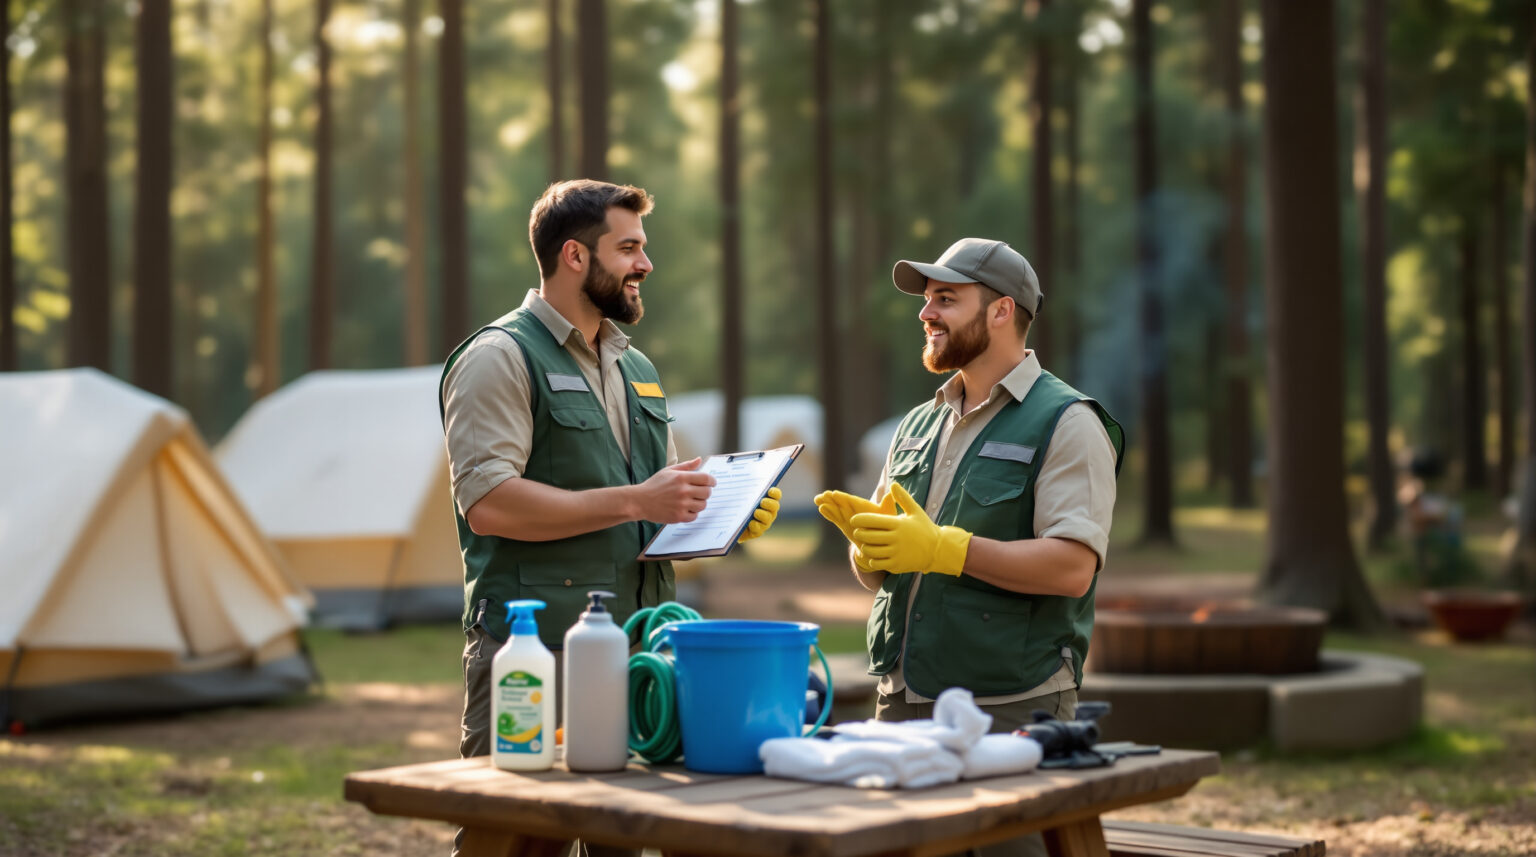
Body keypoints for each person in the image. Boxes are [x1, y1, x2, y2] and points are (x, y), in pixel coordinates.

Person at [439, 180, 779, 857]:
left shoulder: (638, 367)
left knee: (622, 843)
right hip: (537, 656)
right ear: (574, 256)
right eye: (628, 248)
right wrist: (639, 501)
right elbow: (490, 505)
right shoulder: (498, 357)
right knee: (515, 842)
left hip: (639, 652)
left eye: (643, 248)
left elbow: (656, 505)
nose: (644, 264)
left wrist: (722, 507)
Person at [815, 237, 1122, 857]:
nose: (926, 314)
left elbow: (1071, 567)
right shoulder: (916, 425)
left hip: (1008, 706)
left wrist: (947, 550)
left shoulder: (1069, 422)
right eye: (928, 300)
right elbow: (887, 574)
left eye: (946, 299)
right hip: (900, 701)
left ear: (1002, 311)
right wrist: (868, 552)